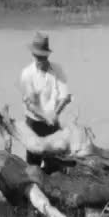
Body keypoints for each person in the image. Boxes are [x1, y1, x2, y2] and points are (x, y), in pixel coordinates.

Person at [19, 31, 72, 165]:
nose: (39, 59)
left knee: (56, 166)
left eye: (42, 56)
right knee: (33, 168)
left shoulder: (57, 69)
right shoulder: (27, 74)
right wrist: (45, 116)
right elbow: (31, 104)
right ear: (33, 55)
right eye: (37, 56)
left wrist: (55, 114)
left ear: (47, 55)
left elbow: (64, 97)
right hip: (34, 125)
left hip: (53, 125)